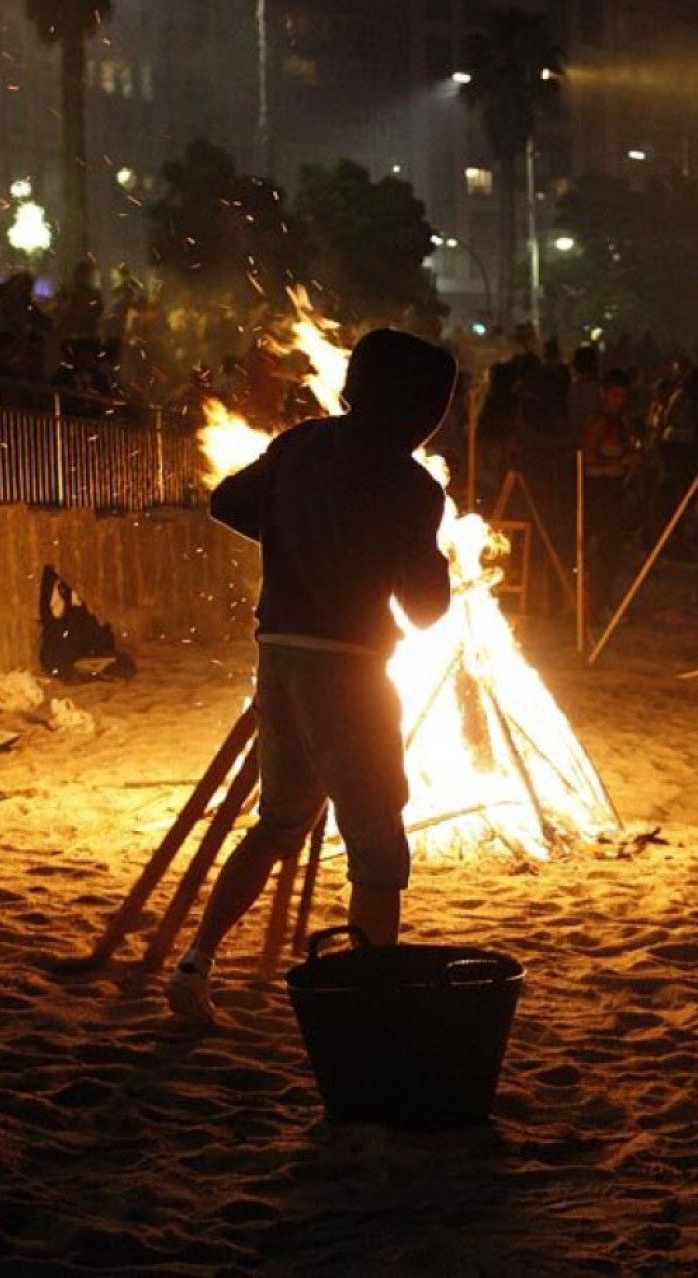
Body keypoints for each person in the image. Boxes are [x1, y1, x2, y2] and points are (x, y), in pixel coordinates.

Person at [166, 328, 456, 1024]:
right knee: (378, 846)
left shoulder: (301, 443)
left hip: (279, 656)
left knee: (276, 822)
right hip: (351, 671)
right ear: (422, 411)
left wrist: (300, 538)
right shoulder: (412, 487)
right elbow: (424, 611)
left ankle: (195, 963)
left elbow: (228, 502)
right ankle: (374, 1001)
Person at [580, 368, 641, 623]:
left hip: (614, 490)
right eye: (614, 395)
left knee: (611, 551)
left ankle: (602, 604)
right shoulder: (600, 421)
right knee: (604, 552)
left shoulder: (620, 422)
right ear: (604, 394)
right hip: (600, 491)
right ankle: (596, 608)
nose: (619, 401)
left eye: (622, 396)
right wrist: (620, 461)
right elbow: (589, 456)